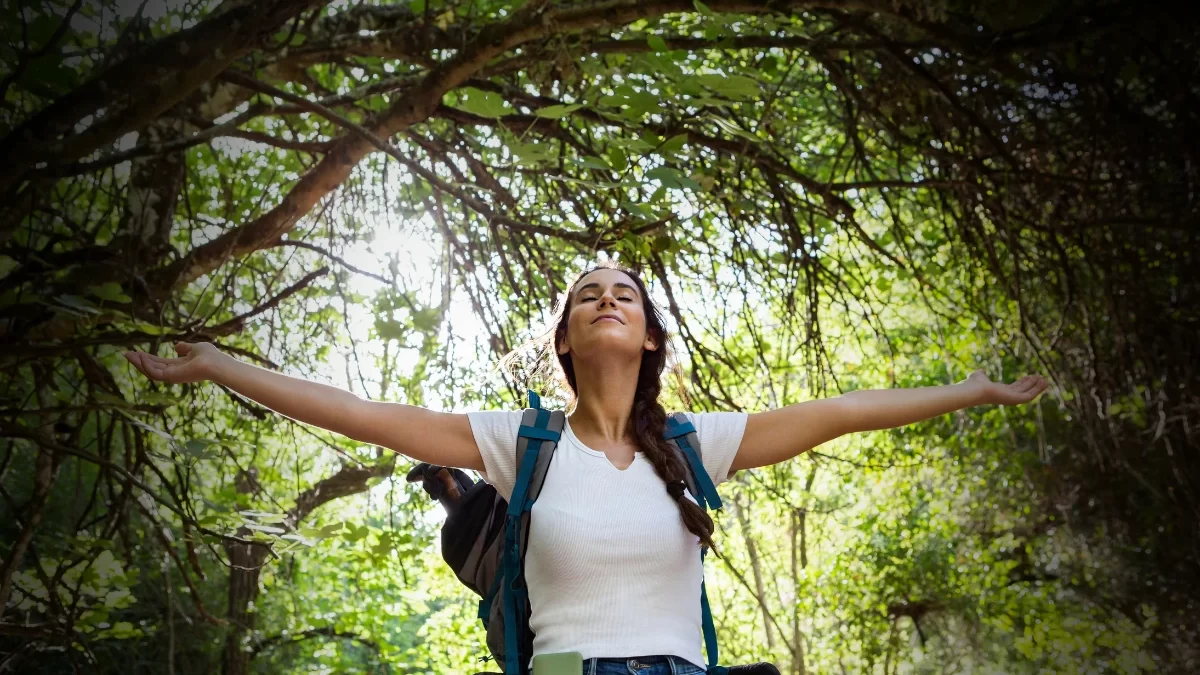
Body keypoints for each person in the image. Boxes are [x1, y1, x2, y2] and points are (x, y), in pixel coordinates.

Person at [123, 262, 1050, 675]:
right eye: (586, 295)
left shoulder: (696, 447)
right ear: (568, 338)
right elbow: (364, 412)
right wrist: (218, 365)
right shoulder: (517, 442)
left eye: (626, 293)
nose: (607, 299)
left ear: (648, 335)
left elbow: (840, 413)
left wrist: (967, 391)